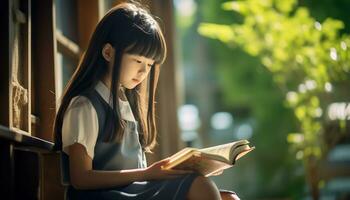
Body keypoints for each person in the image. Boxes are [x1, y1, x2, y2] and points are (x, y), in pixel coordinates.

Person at [53, 2, 239, 200]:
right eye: (138, 60)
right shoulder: (85, 105)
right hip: (104, 196)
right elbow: (81, 179)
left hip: (133, 191)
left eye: (149, 64)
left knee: (227, 197)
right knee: (200, 187)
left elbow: (139, 176)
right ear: (108, 52)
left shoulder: (124, 103)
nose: (143, 71)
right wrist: (148, 173)